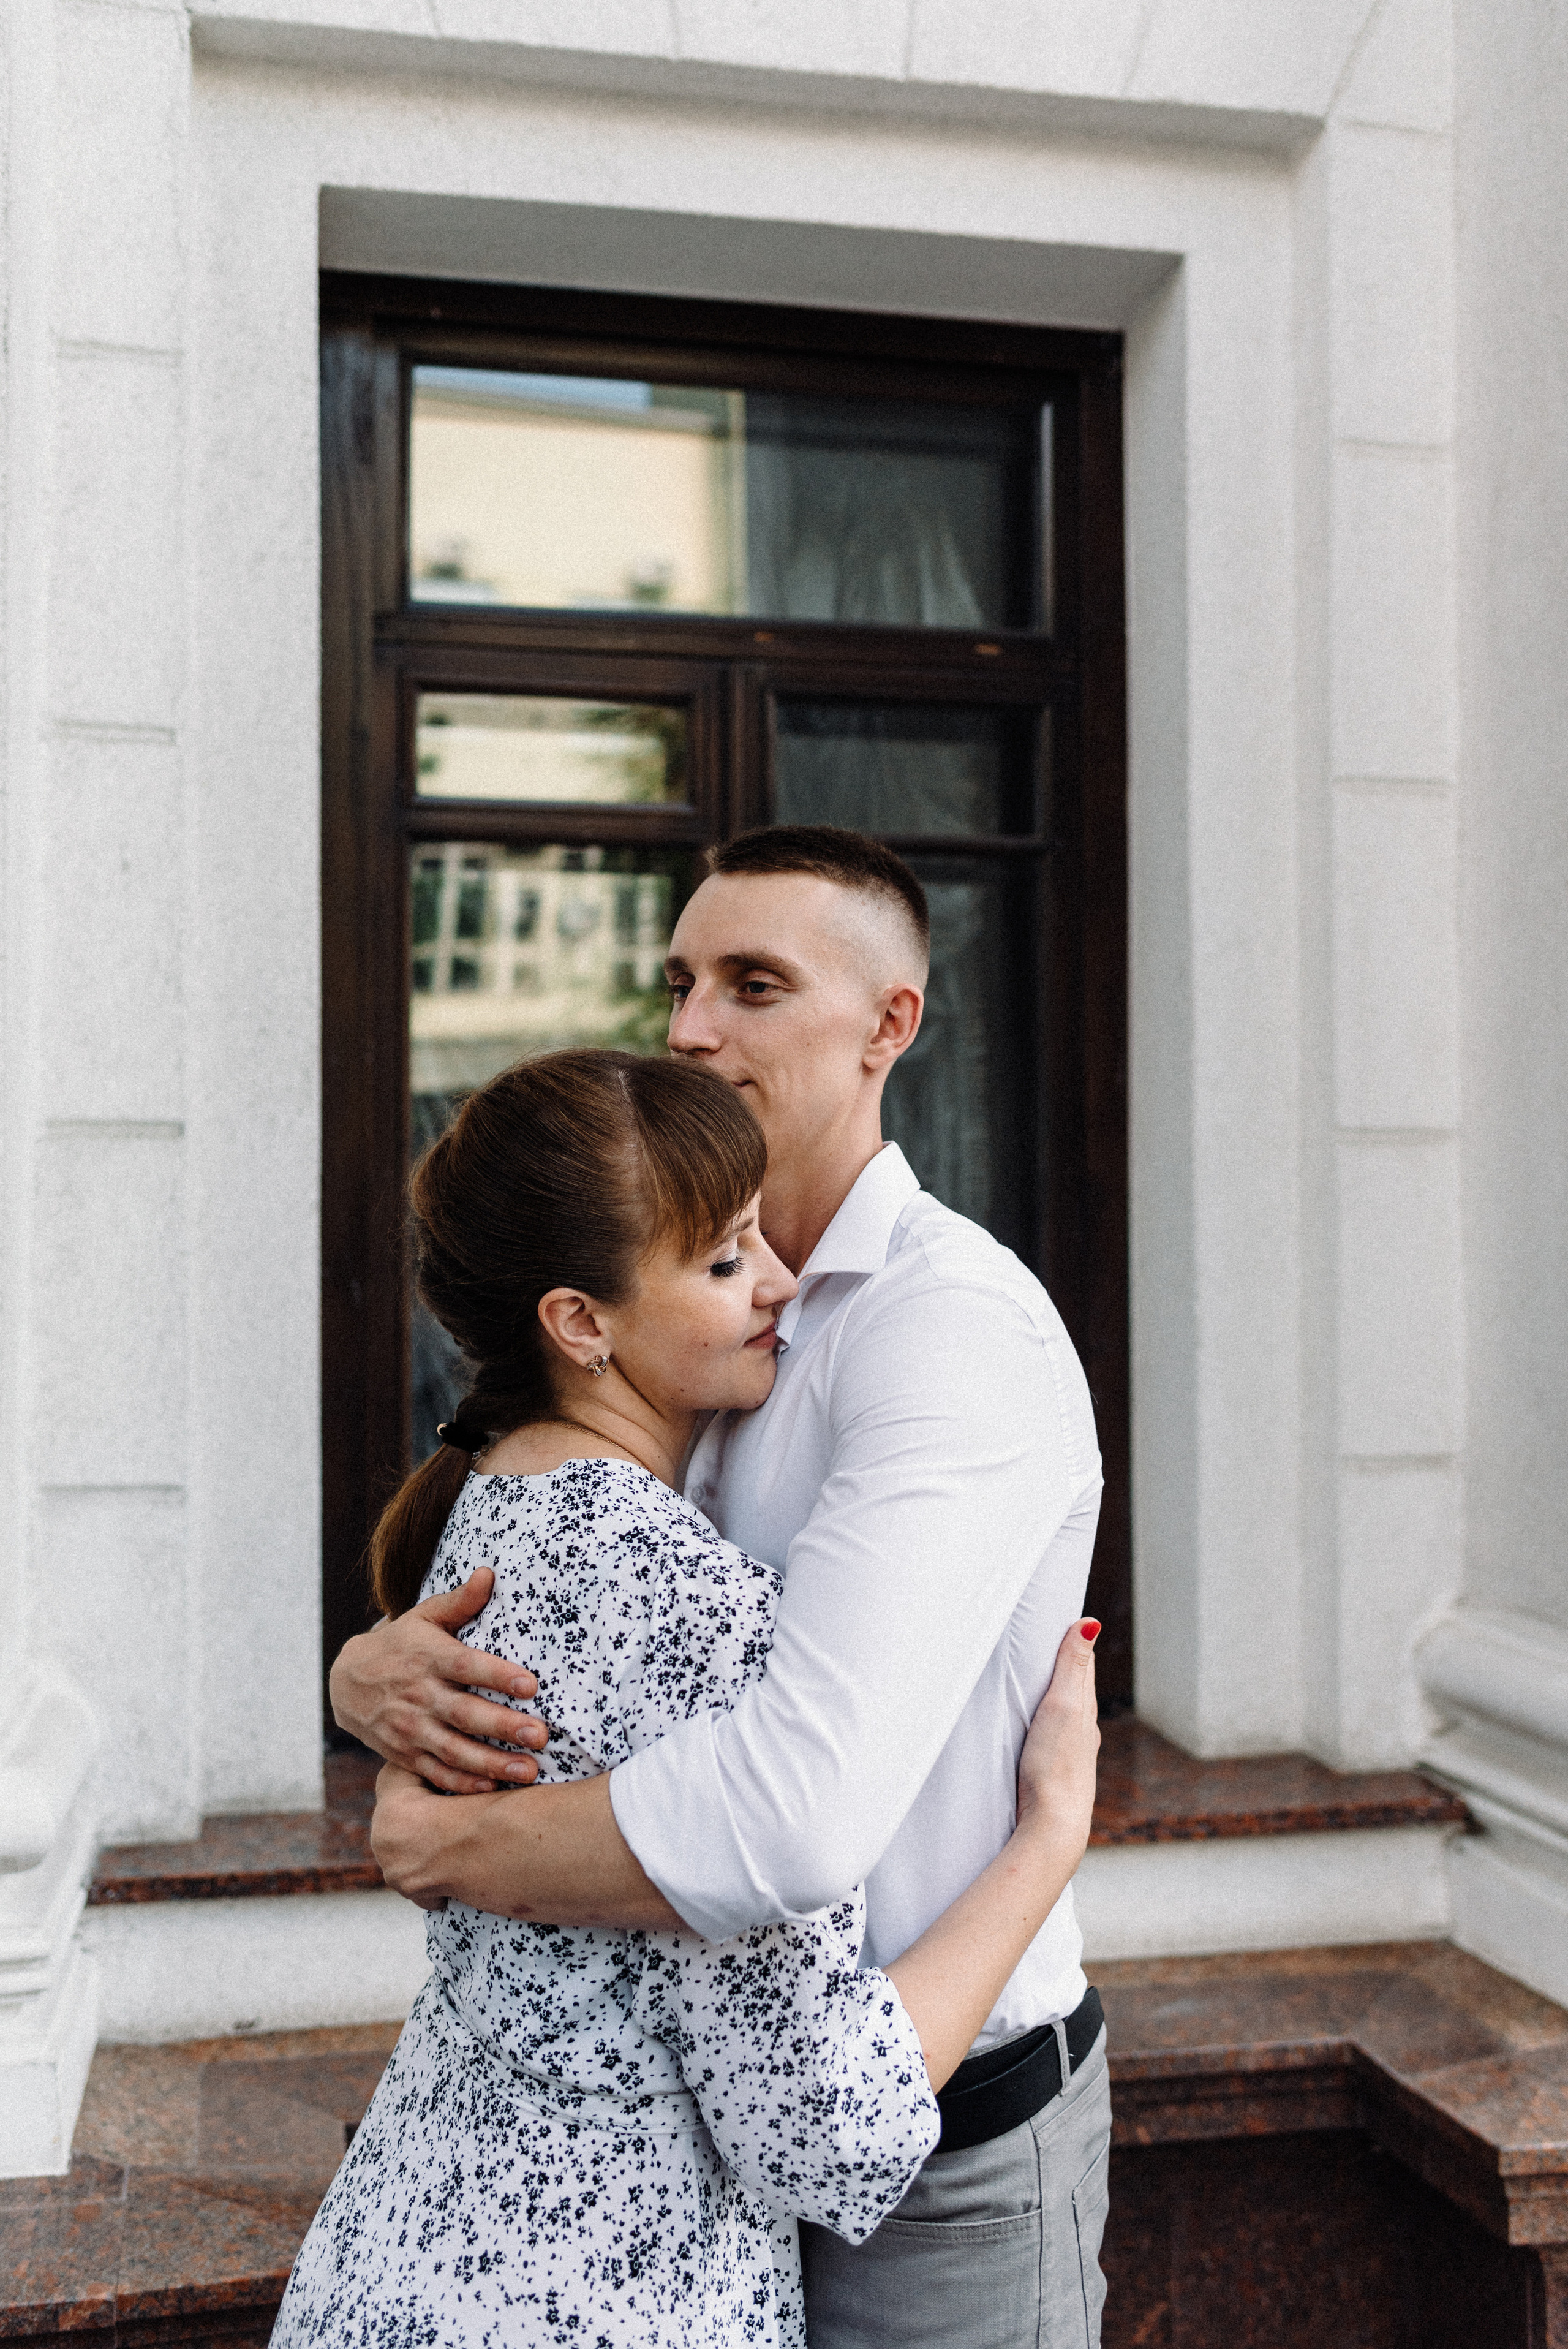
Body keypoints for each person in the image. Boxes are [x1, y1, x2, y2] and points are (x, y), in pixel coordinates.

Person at [335, 826, 1111, 2348]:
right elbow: (587, 1627)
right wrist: (368, 1673)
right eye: (681, 982)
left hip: (932, 2151)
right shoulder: (684, 1344)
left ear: (890, 1025)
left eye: (754, 985)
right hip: (704, 2167)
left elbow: (785, 1815)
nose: (694, 1027)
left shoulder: (945, 1334)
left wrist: (448, 1840)